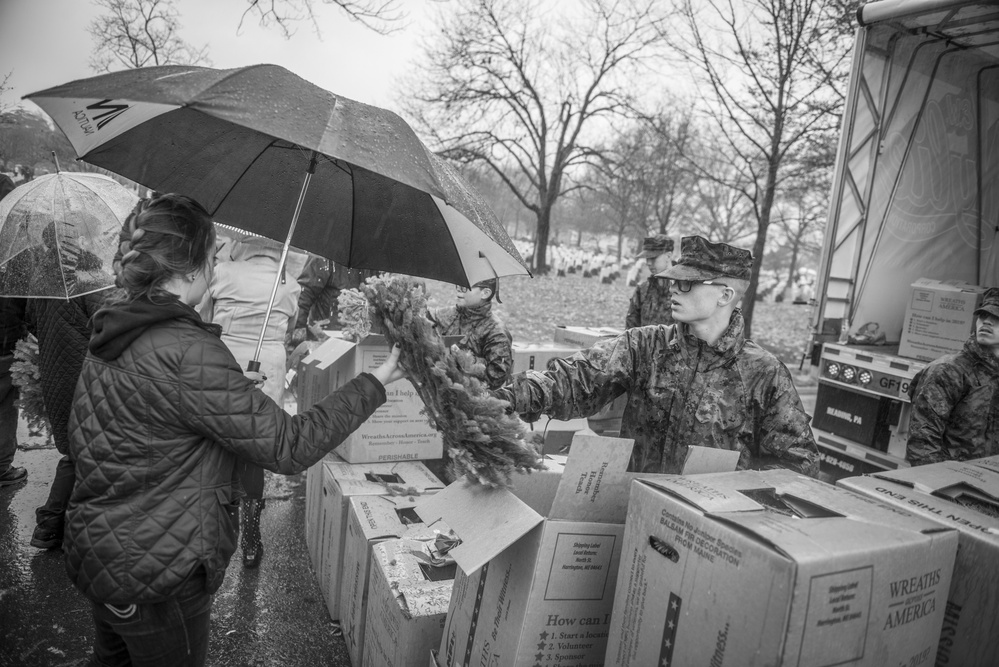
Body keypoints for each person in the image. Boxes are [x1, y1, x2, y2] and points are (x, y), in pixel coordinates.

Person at [65, 193, 406, 666]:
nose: (215, 267)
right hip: (160, 573)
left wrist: (221, 392)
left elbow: (133, 425)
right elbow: (290, 445)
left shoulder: (114, 329)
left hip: (104, 556)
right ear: (188, 271)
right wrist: (374, 382)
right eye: (211, 258)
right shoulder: (187, 352)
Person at [497, 235, 819, 476]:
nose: (673, 289)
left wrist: (736, 501)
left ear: (725, 294)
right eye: (674, 281)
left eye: (688, 284)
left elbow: (798, 464)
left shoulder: (763, 374)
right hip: (636, 515)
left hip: (706, 542)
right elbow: (576, 380)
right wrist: (508, 397)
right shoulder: (646, 348)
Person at [208, 235, 302, 568]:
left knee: (218, 441)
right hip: (268, 366)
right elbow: (290, 328)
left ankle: (213, 526)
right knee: (255, 447)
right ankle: (250, 539)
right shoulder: (289, 285)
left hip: (225, 359)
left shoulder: (223, 272)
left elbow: (205, 316)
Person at [26, 292, 108, 548]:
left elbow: (30, 322)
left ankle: (54, 525)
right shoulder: (87, 281)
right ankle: (52, 524)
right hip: (85, 374)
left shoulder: (44, 282)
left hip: (55, 372)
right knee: (84, 450)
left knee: (77, 449)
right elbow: (109, 326)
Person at [906, 287, 999, 466]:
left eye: (996, 317)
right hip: (951, 483)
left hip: (989, 484)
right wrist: (940, 484)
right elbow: (923, 444)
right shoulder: (948, 371)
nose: (986, 322)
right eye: (983, 316)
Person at [428, 277, 514, 390]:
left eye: (464, 287)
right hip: (437, 394)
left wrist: (464, 358)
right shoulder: (450, 314)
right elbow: (426, 318)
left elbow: (496, 377)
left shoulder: (496, 332)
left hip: (471, 401)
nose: (458, 290)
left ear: (485, 293)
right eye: (458, 285)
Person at [0, 297, 28, 487]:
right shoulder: (13, 274)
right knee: (5, 409)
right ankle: (1, 468)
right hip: (5, 347)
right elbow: (27, 313)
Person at [626, 234, 674, 328]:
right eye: (647, 258)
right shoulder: (643, 289)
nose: (648, 263)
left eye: (653, 258)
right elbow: (631, 328)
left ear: (668, 256)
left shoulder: (683, 290)